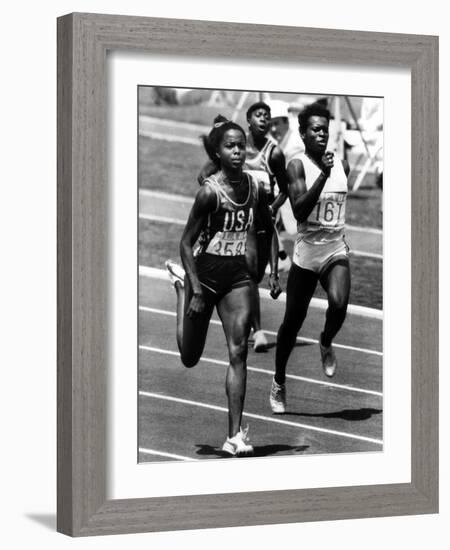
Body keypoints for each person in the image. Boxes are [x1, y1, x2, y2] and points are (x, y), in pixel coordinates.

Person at [166, 116, 281, 455]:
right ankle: (179, 288)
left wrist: (274, 270)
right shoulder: (208, 193)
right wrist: (196, 291)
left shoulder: (255, 188)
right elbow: (185, 244)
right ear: (217, 152)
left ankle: (234, 436)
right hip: (203, 276)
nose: (238, 152)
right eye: (230, 146)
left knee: (239, 351)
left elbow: (267, 228)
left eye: (241, 146)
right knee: (189, 358)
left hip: (237, 276)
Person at [269, 102, 351, 414]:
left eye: (324, 130)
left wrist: (332, 171)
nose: (321, 134)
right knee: (292, 323)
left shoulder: (342, 164)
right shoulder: (297, 166)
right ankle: (278, 381)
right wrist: (323, 176)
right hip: (306, 254)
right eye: (315, 130)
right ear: (303, 134)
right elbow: (300, 210)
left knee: (340, 304)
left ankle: (326, 341)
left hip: (334, 250)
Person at [198, 101, 288, 352]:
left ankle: (246, 318)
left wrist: (273, 206)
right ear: (249, 120)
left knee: (256, 276)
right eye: (259, 115)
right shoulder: (235, 147)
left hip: (265, 219)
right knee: (247, 275)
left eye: (267, 116)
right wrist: (220, 194)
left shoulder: (274, 153)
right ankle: (258, 331)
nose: (264, 119)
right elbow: (203, 175)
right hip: (244, 220)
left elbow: (285, 190)